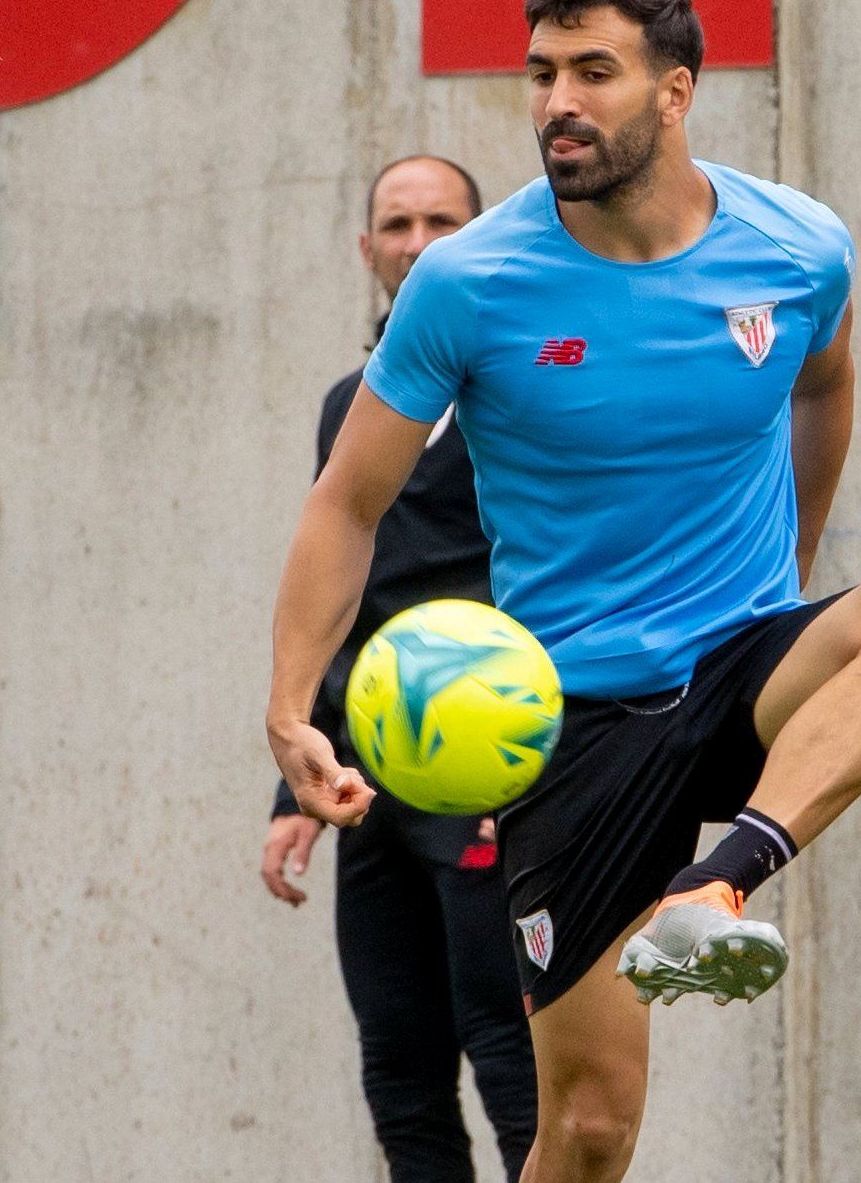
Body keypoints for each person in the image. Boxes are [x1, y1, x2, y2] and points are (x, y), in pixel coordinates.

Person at [265, 0, 861, 1183]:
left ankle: (718, 887)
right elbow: (347, 501)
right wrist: (291, 707)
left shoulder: (800, 248)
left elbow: (823, 385)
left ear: (676, 91)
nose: (560, 100)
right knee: (590, 1131)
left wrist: (792, 579)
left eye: (592, 72)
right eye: (543, 73)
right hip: (576, 722)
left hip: (739, 665)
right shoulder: (469, 284)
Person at [258, 153, 537, 1183]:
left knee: (514, 1067)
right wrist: (290, 785)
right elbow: (344, 601)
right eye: (397, 224)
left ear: (481, 239)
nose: (417, 242)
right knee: (401, 1078)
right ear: (367, 248)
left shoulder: (526, 389)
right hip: (368, 791)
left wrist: (544, 771)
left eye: (442, 222)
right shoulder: (351, 406)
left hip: (492, 783)